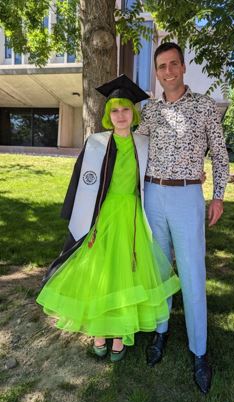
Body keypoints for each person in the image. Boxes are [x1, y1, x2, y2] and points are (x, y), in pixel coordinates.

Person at [36, 74, 180, 362]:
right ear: (107, 115)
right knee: (101, 272)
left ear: (133, 112)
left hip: (132, 215)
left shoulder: (143, 143)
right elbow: (82, 180)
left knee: (126, 271)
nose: (121, 115)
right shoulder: (97, 144)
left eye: (126, 109)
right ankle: (101, 331)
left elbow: (158, 169)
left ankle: (120, 335)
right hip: (102, 214)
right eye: (114, 110)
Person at [134, 43, 229, 394]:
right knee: (159, 270)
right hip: (153, 195)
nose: (168, 71)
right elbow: (135, 148)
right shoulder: (150, 111)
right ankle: (161, 332)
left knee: (191, 274)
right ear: (156, 72)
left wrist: (218, 195)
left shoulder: (204, 105)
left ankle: (200, 352)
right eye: (162, 66)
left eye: (174, 64)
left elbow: (219, 154)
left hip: (188, 195)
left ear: (183, 66)